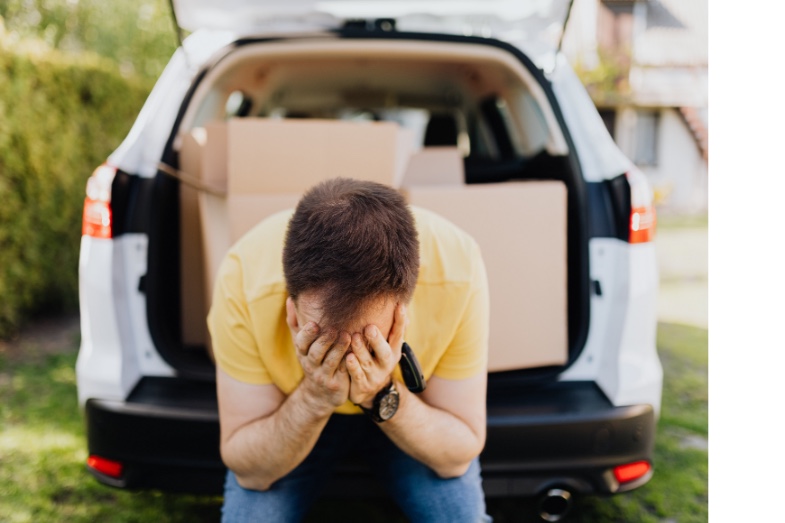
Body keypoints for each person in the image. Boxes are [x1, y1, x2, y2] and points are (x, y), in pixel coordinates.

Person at [208, 177, 491, 522]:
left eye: (369, 341)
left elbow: (457, 454)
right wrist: (314, 396)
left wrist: (378, 392)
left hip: (410, 412)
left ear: (403, 309)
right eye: (325, 341)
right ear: (291, 310)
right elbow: (250, 470)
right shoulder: (244, 276)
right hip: (289, 415)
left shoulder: (457, 266)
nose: (348, 361)